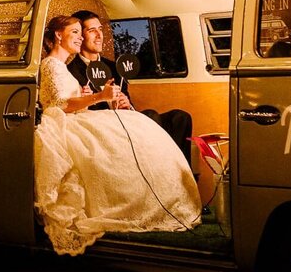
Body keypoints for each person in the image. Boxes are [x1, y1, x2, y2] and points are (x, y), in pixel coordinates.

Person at [36, 15, 201, 256]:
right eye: (75, 32)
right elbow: (59, 104)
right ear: (58, 36)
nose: (80, 37)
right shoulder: (51, 64)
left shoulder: (61, 66)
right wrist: (97, 97)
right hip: (65, 125)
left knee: (147, 124)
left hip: (79, 117)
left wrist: (90, 97)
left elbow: (69, 99)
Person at [67, 10, 195, 158]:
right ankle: (156, 168)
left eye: (100, 29)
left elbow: (128, 103)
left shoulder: (114, 67)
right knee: (151, 115)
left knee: (180, 118)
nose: (99, 35)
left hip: (126, 118)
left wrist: (127, 104)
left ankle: (182, 174)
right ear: (81, 37)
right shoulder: (72, 71)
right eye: (92, 30)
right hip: (104, 126)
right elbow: (77, 109)